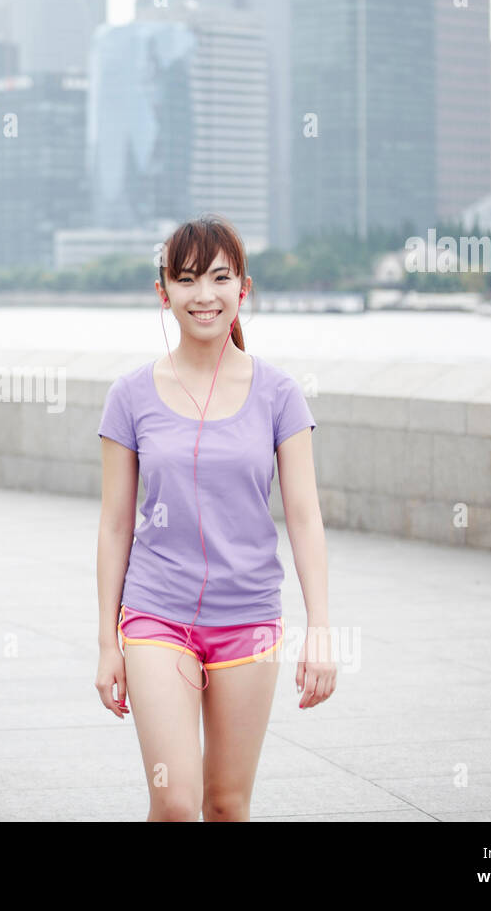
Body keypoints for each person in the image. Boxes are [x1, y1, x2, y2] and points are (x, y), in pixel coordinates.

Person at [95, 213, 335, 822]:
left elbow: (304, 517)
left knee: (226, 806)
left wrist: (321, 628)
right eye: (188, 279)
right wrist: (107, 642)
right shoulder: (130, 396)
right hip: (156, 615)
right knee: (175, 801)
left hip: (249, 619)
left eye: (220, 278)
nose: (204, 295)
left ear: (243, 289)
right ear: (163, 292)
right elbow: (116, 524)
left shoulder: (279, 394)